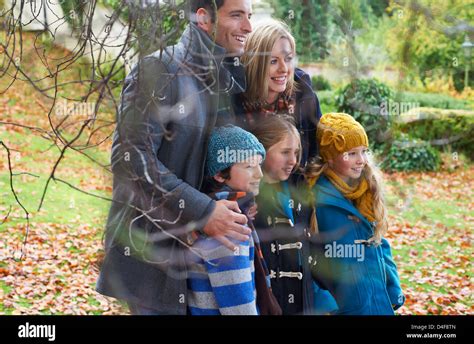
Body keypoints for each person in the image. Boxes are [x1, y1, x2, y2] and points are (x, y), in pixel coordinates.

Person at [96, 0, 255, 315]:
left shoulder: (225, 82)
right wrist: (203, 211)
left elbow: (211, 167)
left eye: (249, 16)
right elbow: (131, 158)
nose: (248, 27)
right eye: (237, 15)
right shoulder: (159, 70)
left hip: (201, 267)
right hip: (151, 257)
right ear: (203, 19)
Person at [305, 113, 405, 315]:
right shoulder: (314, 199)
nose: (361, 160)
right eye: (351, 154)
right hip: (345, 308)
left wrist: (393, 290)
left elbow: (379, 243)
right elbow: (306, 257)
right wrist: (326, 304)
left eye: (364, 151)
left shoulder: (366, 190)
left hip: (379, 303)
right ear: (330, 158)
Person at [186, 125, 281, 315]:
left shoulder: (215, 212)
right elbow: (239, 304)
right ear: (220, 174)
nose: (259, 174)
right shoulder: (228, 224)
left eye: (259, 165)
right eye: (249, 166)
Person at [250, 115, 327, 315]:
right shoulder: (246, 199)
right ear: (261, 150)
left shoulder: (301, 188)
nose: (293, 160)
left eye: (296, 152)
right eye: (285, 152)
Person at [233, 19, 322, 168]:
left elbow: (317, 155)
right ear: (255, 63)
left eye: (288, 59)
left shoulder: (304, 96)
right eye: (273, 61)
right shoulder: (233, 100)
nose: (284, 69)